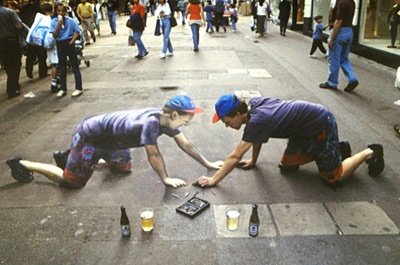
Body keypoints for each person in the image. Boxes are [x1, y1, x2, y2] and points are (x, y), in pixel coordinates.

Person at [6, 95, 223, 189]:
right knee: (72, 183)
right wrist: (165, 178)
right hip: (90, 137)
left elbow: (186, 145)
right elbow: (153, 154)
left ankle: (69, 156)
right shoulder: (150, 124)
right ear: (175, 115)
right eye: (186, 119)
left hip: (113, 142)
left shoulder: (165, 118)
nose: (187, 124)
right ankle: (22, 164)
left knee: (122, 169)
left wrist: (208, 164)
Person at [194, 95, 385, 187]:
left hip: (321, 124)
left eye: (227, 122)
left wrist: (213, 180)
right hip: (302, 131)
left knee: (333, 178)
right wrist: (253, 161)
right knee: (287, 166)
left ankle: (369, 152)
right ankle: (337, 149)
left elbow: (235, 156)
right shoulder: (252, 107)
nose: (227, 126)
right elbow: (256, 138)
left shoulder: (258, 120)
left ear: (237, 114)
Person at [319, 0, 359, 92]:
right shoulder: (352, 2)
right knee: (344, 59)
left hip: (339, 32)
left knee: (334, 59)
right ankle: (352, 79)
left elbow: (338, 21)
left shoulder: (341, 2)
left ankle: (332, 82)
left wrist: (332, 39)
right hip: (349, 31)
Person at [50, 2, 83, 98]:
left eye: (63, 11)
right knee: (62, 66)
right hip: (60, 43)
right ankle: (63, 88)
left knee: (74, 65)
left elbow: (77, 32)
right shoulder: (54, 22)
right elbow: (54, 35)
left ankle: (79, 87)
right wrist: (58, 25)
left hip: (69, 42)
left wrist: (71, 42)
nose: (61, 13)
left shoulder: (71, 21)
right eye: (59, 11)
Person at [0, 0, 23, 98]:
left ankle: (13, 84)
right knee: (15, 64)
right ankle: (12, 88)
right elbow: (19, 25)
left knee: (7, 64)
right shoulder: (9, 12)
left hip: (1, 42)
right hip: (11, 41)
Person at [20, 0, 48, 79]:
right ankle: (42, 73)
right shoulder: (39, 9)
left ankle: (29, 70)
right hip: (38, 32)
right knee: (42, 54)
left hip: (28, 33)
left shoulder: (23, 9)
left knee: (30, 54)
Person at [41, 1, 60, 93]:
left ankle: (57, 79)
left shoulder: (41, 20)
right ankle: (54, 83)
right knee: (55, 64)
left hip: (47, 43)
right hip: (53, 43)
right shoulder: (52, 20)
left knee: (54, 63)